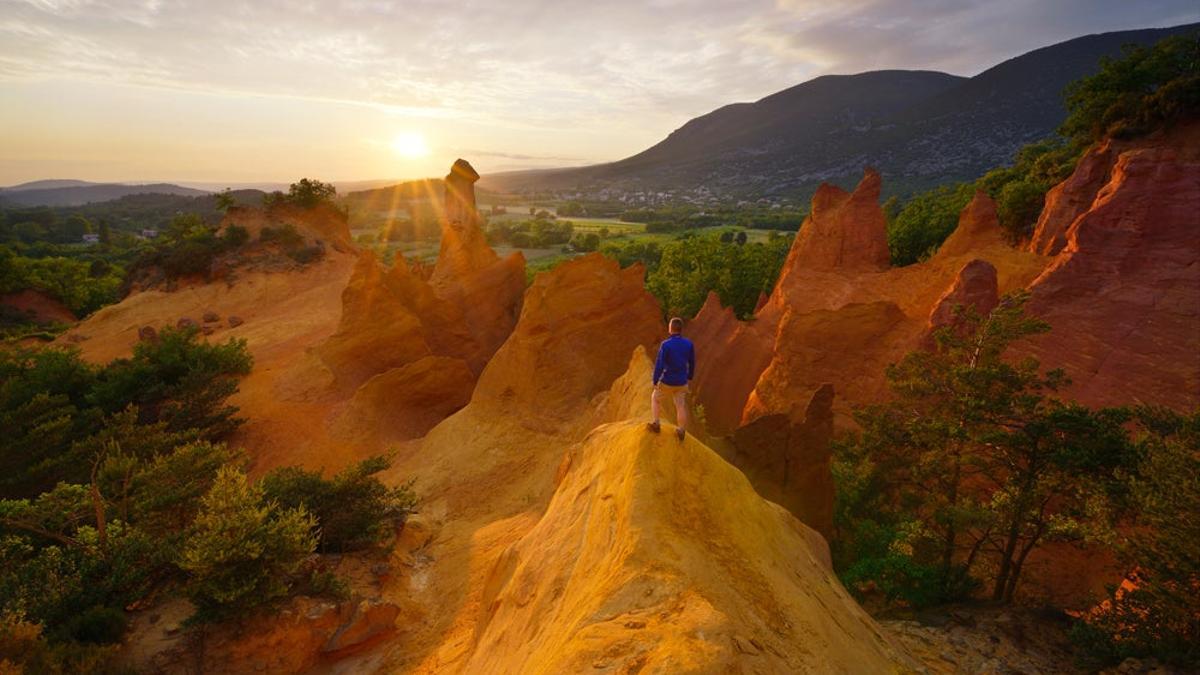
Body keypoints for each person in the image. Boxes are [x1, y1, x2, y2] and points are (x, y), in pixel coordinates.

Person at [648, 317, 695, 441]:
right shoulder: (689, 344)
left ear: (671, 328)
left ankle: (656, 424)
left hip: (668, 380)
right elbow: (692, 362)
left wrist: (655, 380)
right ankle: (681, 430)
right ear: (681, 329)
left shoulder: (666, 345)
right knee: (680, 405)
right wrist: (689, 376)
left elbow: (659, 364)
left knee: (655, 398)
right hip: (682, 381)